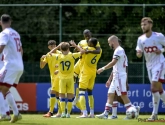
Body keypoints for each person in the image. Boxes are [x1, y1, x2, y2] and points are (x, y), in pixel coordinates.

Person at [96, 35, 140, 119]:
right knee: (110, 94)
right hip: (116, 76)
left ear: (113, 42)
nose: (109, 45)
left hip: (120, 76)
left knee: (123, 95)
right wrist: (110, 79)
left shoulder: (119, 50)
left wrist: (102, 68)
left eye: (109, 43)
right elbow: (115, 67)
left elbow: (113, 62)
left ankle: (132, 111)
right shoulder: (118, 50)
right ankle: (106, 113)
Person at [136, 17, 165, 121]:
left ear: (151, 25)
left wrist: (161, 50)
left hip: (159, 63)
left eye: (145, 24)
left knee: (153, 88)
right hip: (149, 66)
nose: (143, 26)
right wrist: (139, 53)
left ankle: (154, 114)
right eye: (142, 25)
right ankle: (155, 115)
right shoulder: (140, 39)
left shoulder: (158, 36)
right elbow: (138, 53)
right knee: (159, 90)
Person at [50, 42, 84, 118]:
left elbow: (50, 53)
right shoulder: (72, 55)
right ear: (69, 48)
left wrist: (57, 47)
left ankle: (63, 113)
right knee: (70, 96)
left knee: (61, 96)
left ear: (61, 49)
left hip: (62, 79)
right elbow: (82, 52)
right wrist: (75, 46)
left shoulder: (59, 56)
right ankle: (68, 113)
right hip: (70, 79)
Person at [0, 14, 23, 123]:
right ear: (11, 21)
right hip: (19, 65)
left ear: (1, 22)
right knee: (5, 90)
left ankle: (5, 114)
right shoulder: (16, 33)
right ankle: (15, 113)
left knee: (2, 89)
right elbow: (21, 50)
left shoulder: (4, 33)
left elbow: (1, 47)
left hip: (10, 65)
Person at [73, 29, 101, 116]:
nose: (87, 37)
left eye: (88, 35)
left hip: (85, 70)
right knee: (89, 92)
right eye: (86, 35)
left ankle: (84, 112)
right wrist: (77, 48)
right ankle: (92, 112)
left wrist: (76, 46)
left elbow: (82, 51)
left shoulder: (88, 48)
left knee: (82, 91)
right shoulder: (94, 48)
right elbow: (98, 51)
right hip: (92, 70)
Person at [40, 40, 62, 118]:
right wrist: (41, 59)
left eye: (54, 45)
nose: (53, 47)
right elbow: (42, 66)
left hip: (59, 76)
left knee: (53, 92)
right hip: (53, 77)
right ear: (48, 47)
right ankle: (60, 112)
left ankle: (50, 112)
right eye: (51, 46)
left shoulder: (60, 53)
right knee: (57, 94)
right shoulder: (48, 55)